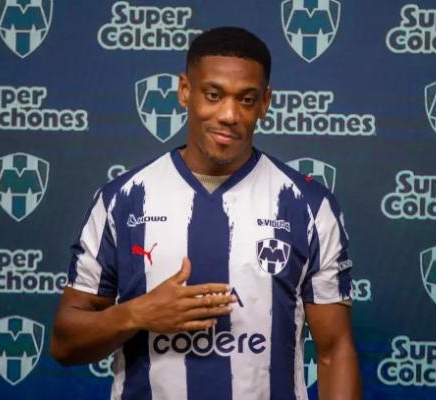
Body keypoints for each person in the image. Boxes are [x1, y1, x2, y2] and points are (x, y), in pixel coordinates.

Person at [51, 26, 362, 400]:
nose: (229, 114)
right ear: (185, 91)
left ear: (265, 103)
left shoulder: (308, 205)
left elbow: (334, 350)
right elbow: (64, 344)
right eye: (213, 95)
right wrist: (136, 314)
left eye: (246, 99)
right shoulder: (123, 200)